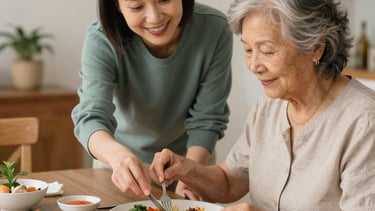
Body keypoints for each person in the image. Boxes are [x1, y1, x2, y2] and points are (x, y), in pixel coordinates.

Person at [149, 0, 375, 210]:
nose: (253, 65)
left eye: (267, 51)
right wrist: (187, 169)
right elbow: (230, 181)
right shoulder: (269, 105)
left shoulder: (364, 123)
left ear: (315, 47)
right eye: (248, 50)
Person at [71, 0, 232, 198]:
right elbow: (91, 117)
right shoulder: (101, 38)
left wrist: (191, 173)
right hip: (120, 167)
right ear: (117, 7)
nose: (155, 17)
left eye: (164, 0)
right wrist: (118, 157)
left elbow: (208, 119)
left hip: (190, 160)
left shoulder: (214, 28)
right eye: (137, 7)